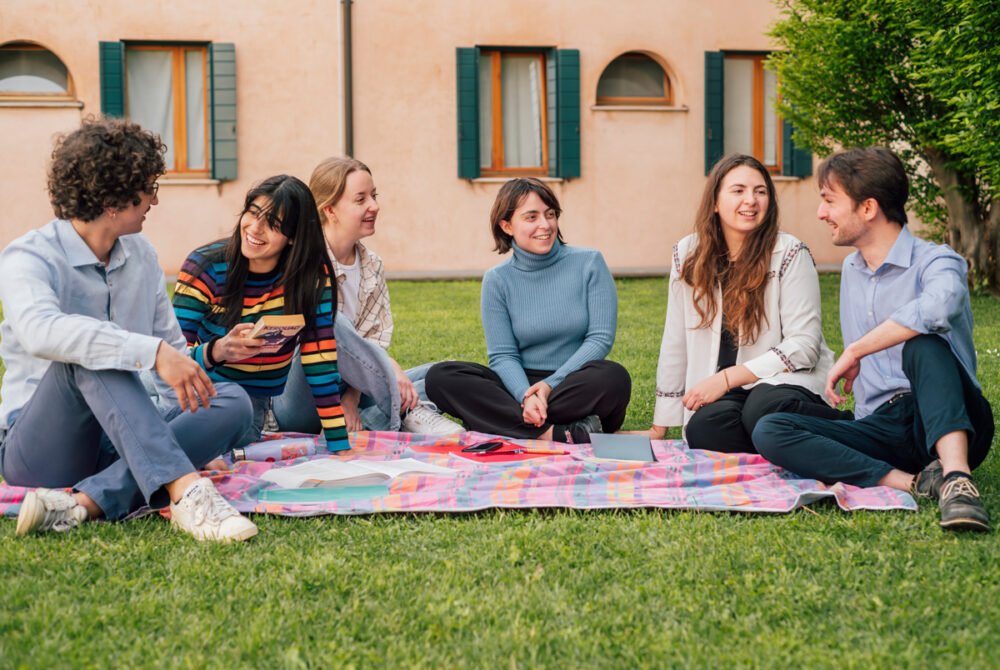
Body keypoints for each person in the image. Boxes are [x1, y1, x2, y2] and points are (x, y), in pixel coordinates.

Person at [0, 117, 257, 542]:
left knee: (230, 400)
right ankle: (185, 490)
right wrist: (150, 353)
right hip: (43, 452)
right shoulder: (29, 256)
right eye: (148, 191)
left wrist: (185, 414)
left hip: (124, 440)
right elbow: (40, 331)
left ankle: (83, 504)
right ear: (113, 201)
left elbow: (172, 355)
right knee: (90, 353)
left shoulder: (141, 255)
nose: (154, 202)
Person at [752, 147, 993, 532]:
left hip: (954, 416)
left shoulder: (938, 261)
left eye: (829, 201)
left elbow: (938, 308)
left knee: (923, 343)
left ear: (868, 208)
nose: (821, 213)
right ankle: (913, 482)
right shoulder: (852, 268)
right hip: (886, 426)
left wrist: (860, 348)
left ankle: (957, 480)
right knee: (770, 429)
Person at [649, 154, 851, 453]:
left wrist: (726, 378)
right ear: (715, 202)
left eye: (761, 191)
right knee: (703, 429)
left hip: (786, 382)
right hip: (730, 394)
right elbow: (675, 340)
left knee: (762, 408)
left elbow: (805, 346)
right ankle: (785, 444)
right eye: (739, 190)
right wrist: (660, 426)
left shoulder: (790, 252)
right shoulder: (687, 253)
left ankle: (847, 431)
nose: (751, 200)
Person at [425, 177, 631, 442]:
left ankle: (503, 421)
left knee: (614, 377)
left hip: (575, 382)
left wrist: (548, 387)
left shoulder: (590, 263)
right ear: (507, 225)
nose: (544, 225)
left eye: (550, 214)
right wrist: (526, 394)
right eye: (531, 217)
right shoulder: (497, 280)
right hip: (518, 385)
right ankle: (556, 432)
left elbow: (600, 338)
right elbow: (502, 355)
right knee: (441, 377)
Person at [271, 157, 462, 435]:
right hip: (300, 401)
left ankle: (366, 425)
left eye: (374, 195)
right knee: (331, 323)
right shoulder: (299, 263)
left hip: (354, 390)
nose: (374, 205)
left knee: (446, 374)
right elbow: (305, 348)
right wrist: (388, 367)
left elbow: (374, 341)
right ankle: (405, 411)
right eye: (360, 199)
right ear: (330, 210)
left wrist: (351, 398)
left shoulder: (372, 265)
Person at [172, 175, 350, 451]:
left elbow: (319, 361)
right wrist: (218, 351)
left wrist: (340, 446)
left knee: (340, 328)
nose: (254, 229)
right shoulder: (207, 267)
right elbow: (174, 356)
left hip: (250, 403)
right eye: (252, 214)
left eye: (272, 225)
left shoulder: (311, 278)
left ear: (292, 238)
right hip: (198, 391)